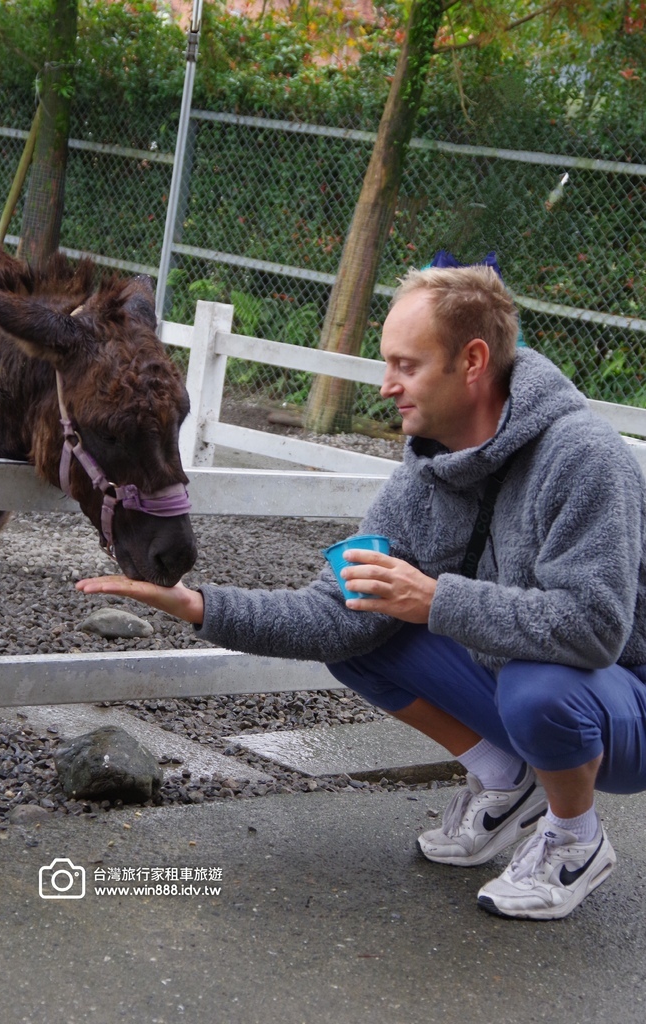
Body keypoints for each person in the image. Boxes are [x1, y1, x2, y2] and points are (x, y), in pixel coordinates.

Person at [77, 264, 646, 921]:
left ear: (471, 361)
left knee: (535, 686)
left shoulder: (583, 457)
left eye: (405, 365)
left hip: (620, 702)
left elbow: (594, 627)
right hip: (531, 684)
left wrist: (435, 601)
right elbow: (330, 614)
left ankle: (574, 838)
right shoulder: (425, 469)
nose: (386, 386)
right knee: (362, 630)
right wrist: (201, 606)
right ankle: (506, 779)